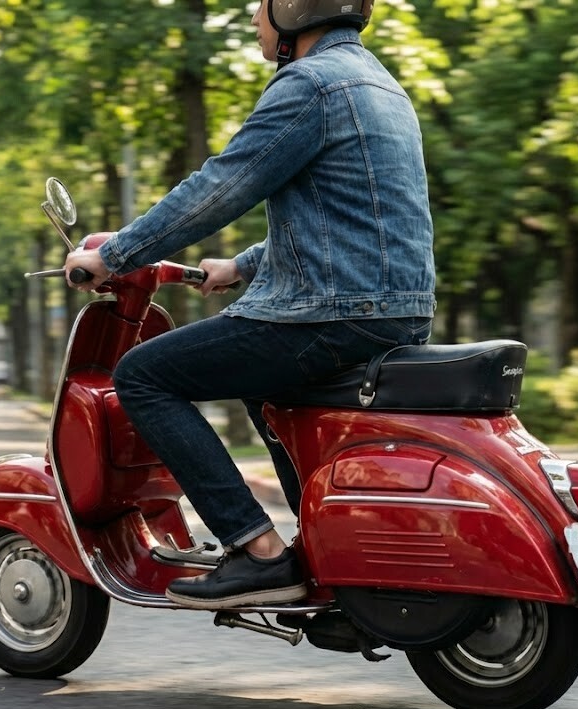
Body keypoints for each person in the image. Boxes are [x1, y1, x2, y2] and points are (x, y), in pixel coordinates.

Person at [64, 0, 436, 610]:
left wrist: (115, 255)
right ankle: (320, 551)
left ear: (294, 10)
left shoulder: (309, 84)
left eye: (261, 7)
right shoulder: (382, 86)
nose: (255, 20)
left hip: (329, 311)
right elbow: (355, 218)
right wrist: (242, 266)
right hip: (391, 309)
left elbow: (222, 186)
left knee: (143, 375)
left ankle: (256, 552)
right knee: (263, 385)